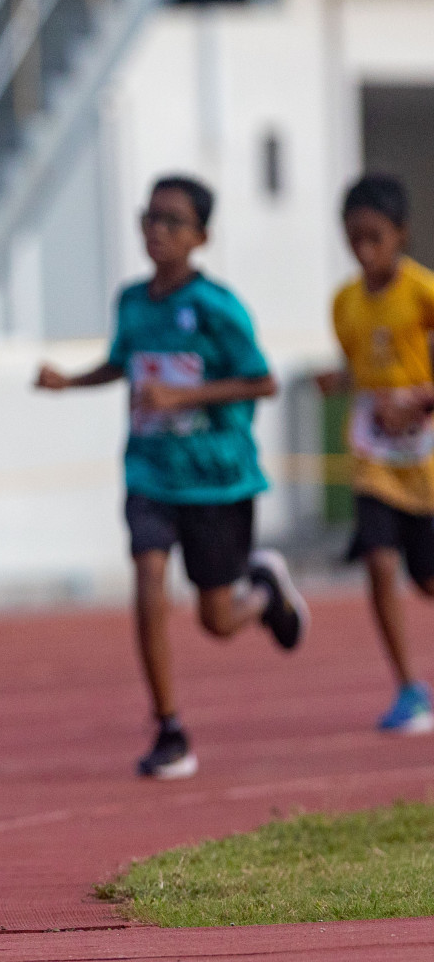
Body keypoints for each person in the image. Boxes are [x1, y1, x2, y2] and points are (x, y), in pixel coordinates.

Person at [35, 175, 308, 780]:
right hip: (150, 474)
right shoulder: (132, 301)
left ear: (201, 236)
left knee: (216, 621)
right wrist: (69, 382)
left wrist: (185, 396)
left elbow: (262, 380)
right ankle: (169, 727)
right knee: (149, 578)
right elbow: (121, 363)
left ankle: (262, 592)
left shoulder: (217, 307)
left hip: (217, 480)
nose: (156, 230)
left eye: (172, 221)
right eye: (149, 217)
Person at [316, 174, 434, 734]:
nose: (363, 250)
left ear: (400, 234)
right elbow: (361, 367)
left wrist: (420, 400)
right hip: (374, 459)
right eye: (353, 238)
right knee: (378, 562)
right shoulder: (343, 304)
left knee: (426, 579)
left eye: (374, 237)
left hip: (426, 461)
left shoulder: (423, 293)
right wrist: (337, 382)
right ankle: (409, 688)